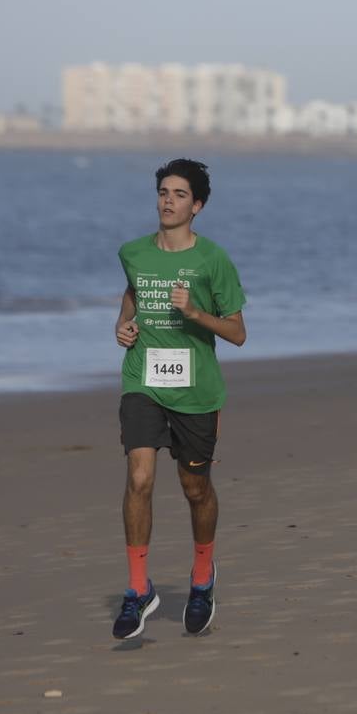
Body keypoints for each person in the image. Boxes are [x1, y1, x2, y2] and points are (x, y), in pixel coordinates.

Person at [112, 159, 247, 640]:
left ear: (198, 206)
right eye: (164, 192)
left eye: (180, 194)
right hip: (143, 380)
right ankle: (137, 589)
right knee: (140, 476)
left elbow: (238, 333)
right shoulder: (133, 252)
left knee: (195, 490)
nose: (168, 200)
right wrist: (122, 324)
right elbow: (133, 292)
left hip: (195, 390)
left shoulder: (213, 260)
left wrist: (194, 313)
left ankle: (203, 575)